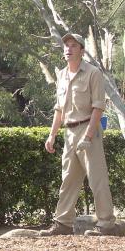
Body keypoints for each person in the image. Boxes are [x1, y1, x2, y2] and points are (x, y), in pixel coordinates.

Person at [40, 33, 117, 236]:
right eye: (66, 45)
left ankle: (106, 225)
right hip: (69, 132)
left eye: (73, 45)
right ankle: (63, 223)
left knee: (96, 179)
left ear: (82, 50)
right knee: (68, 179)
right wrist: (52, 135)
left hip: (88, 129)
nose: (68, 49)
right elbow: (59, 108)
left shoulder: (93, 73)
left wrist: (88, 136)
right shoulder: (62, 75)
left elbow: (98, 107)